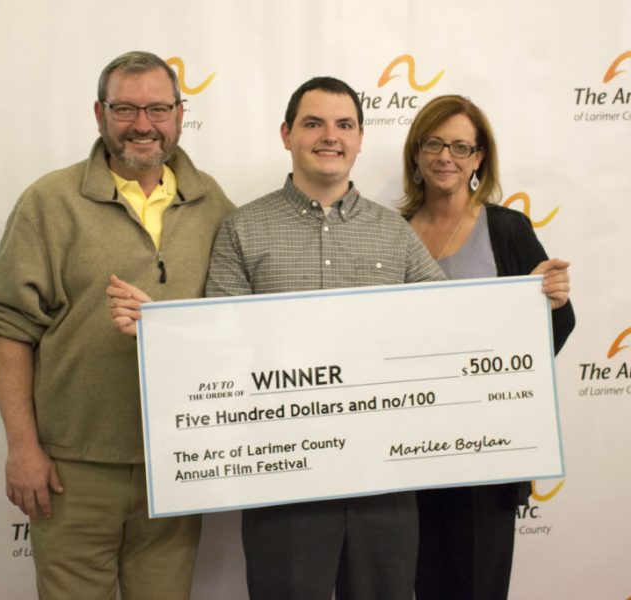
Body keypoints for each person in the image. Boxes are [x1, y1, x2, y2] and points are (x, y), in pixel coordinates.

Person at [108, 76, 446, 600]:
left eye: (344, 125)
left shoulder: (395, 232)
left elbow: (452, 323)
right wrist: (161, 332)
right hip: (283, 476)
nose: (329, 136)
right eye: (313, 123)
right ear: (287, 134)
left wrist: (535, 296)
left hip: (384, 477)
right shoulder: (242, 229)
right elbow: (219, 346)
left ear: (360, 139)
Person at [0, 51, 233, 600]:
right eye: (126, 108)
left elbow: (233, 325)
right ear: (99, 114)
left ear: (180, 114)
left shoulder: (213, 203)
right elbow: (8, 328)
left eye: (158, 109)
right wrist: (23, 447)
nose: (143, 124)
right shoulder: (49, 202)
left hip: (176, 464)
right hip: (73, 469)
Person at [399, 94, 576, 600]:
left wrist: (554, 302)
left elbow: (555, 328)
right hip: (408, 451)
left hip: (487, 454)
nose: (445, 157)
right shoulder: (393, 232)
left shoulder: (507, 228)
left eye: (460, 146)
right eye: (433, 143)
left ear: (480, 157)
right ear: (416, 153)